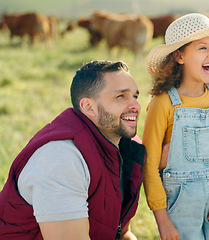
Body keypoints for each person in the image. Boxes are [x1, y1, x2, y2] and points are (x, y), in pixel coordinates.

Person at [0, 60, 145, 240]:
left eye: (135, 97)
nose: (136, 106)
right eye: (121, 96)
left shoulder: (123, 148)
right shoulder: (61, 158)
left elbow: (122, 233)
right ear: (88, 107)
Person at [142, 13, 209, 240]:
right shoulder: (163, 103)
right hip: (180, 209)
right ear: (179, 56)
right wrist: (163, 221)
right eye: (202, 48)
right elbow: (149, 166)